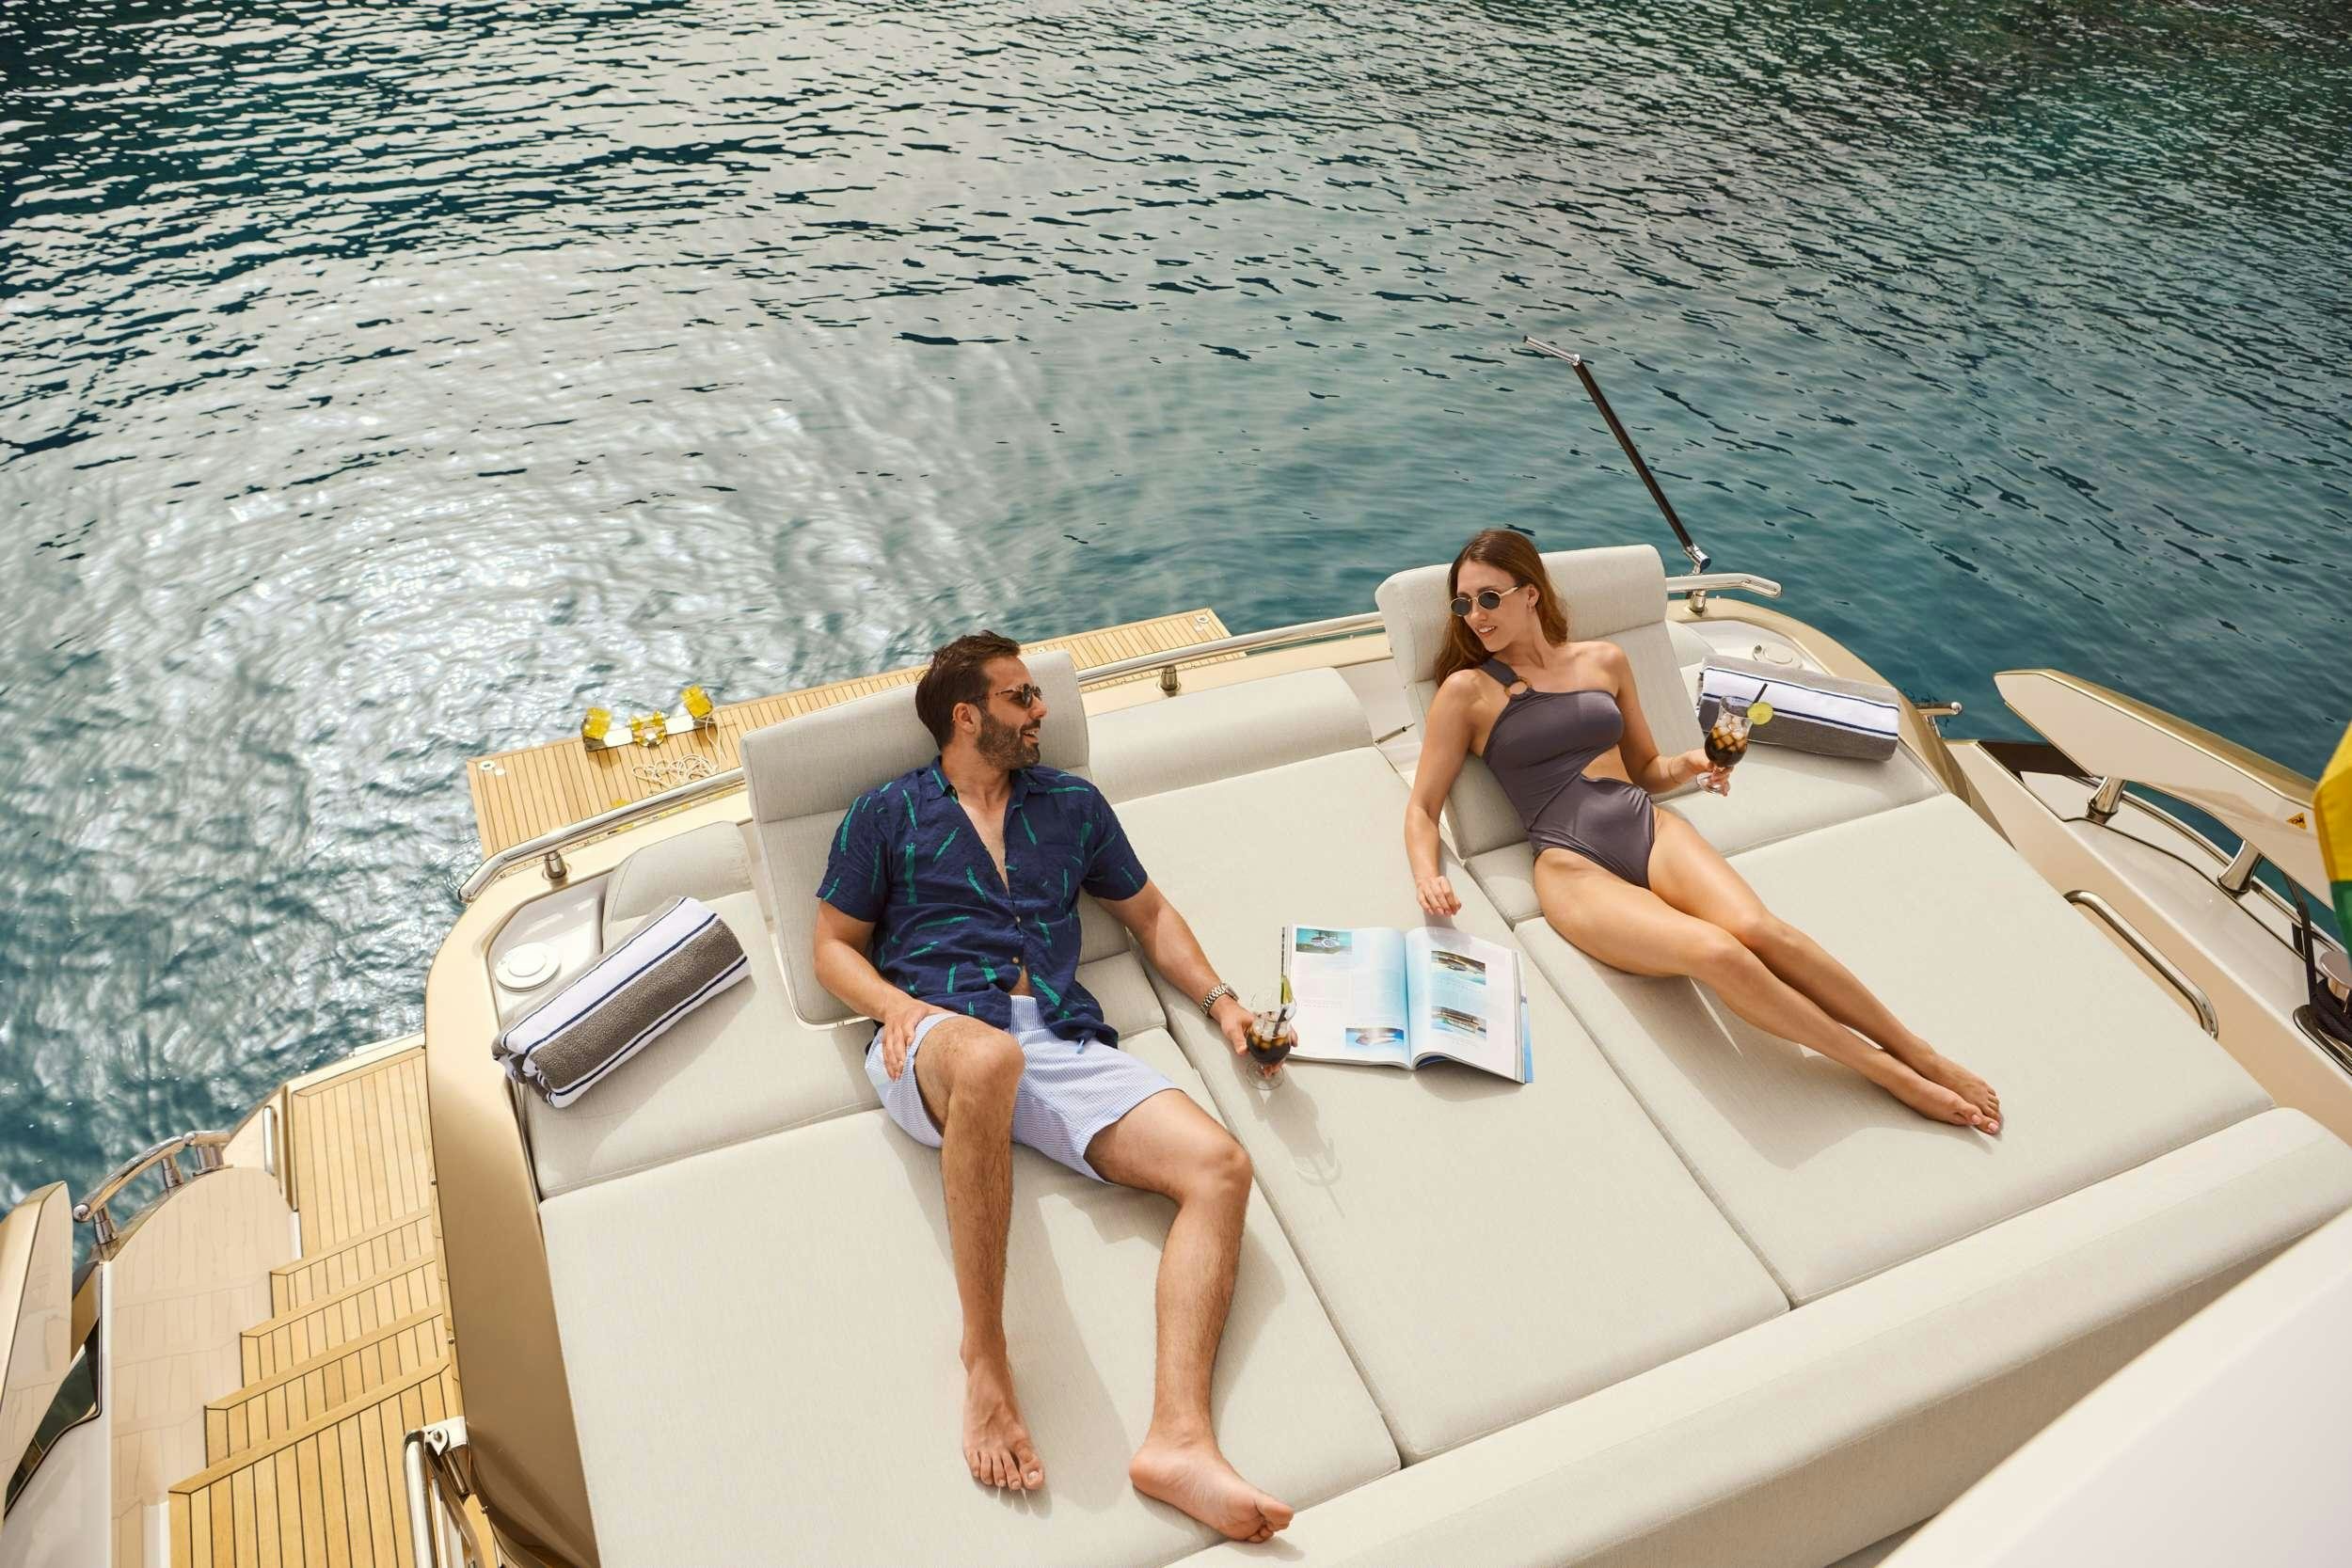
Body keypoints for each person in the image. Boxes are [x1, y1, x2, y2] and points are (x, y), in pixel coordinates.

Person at [812, 630, 1292, 1544]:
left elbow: (1147, 912)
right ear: (967, 714)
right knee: (989, 1058)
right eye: (1022, 698)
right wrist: (894, 1006)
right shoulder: (886, 812)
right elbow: (832, 943)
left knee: (1219, 1166)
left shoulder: (1071, 804)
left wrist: (1224, 1004)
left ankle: (1178, 1440)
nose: (1042, 713)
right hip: (940, 1032)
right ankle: (986, 1363)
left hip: (1060, 1037)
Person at [1405, 531, 2001, 1135]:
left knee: (1759, 930)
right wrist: (1429, 875)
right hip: (1569, 864)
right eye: (1463, 604)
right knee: (1717, 952)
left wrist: (1693, 763)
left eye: (1488, 599)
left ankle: (1917, 1050)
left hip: (1644, 824)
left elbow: (1646, 770)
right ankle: (1886, 1072)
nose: (1474, 616)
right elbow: (1423, 808)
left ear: (1530, 595)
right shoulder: (1467, 692)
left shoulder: (1603, 660)